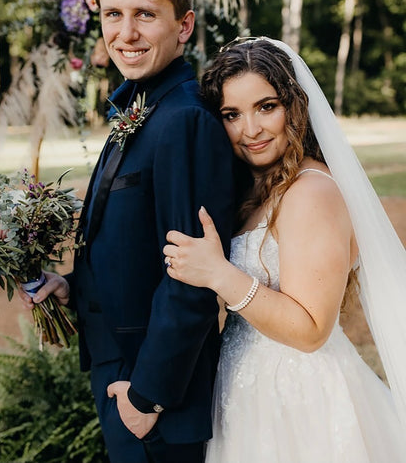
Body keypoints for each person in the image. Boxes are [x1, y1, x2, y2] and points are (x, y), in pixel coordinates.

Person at [21, 0, 234, 463]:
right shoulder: (142, 107)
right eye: (113, 14)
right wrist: (69, 286)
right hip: (121, 372)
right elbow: (134, 245)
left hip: (155, 394)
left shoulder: (183, 120)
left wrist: (146, 396)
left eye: (145, 15)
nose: (126, 33)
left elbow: (193, 277)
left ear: (183, 27)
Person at [163, 37, 406, 462]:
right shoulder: (258, 188)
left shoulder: (311, 192)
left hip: (301, 401)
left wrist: (219, 273)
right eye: (231, 115)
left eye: (266, 106)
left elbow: (311, 330)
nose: (251, 129)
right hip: (247, 392)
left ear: (295, 106)